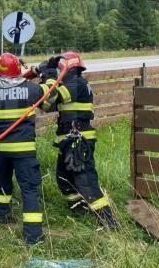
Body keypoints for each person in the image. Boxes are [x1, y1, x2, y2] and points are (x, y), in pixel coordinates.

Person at [31, 52, 116, 229]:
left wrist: (48, 74)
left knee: (86, 181)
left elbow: (53, 95)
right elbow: (47, 104)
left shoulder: (76, 84)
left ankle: (108, 222)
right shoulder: (70, 85)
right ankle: (80, 211)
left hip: (79, 141)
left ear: (65, 68)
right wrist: (43, 81)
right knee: (64, 178)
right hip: (68, 142)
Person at [0, 53, 51, 244]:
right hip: (23, 151)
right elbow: (47, 91)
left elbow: (8, 87)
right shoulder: (30, 89)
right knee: (29, 189)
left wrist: (32, 72)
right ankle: (33, 237)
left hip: (1, 150)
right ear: (17, 70)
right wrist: (48, 72)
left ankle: (2, 217)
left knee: (3, 183)